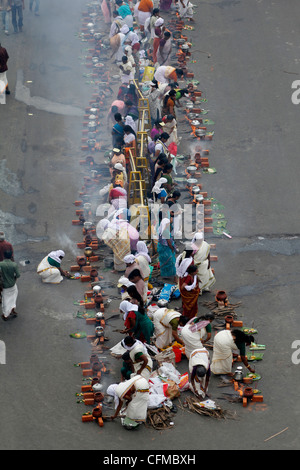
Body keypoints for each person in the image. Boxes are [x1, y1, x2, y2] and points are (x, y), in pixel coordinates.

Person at [0, 250, 20, 321]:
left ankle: (5, 315)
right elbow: (18, 275)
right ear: (11, 256)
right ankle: (12, 310)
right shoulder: (14, 264)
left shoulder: (1, 264)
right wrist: (13, 280)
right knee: (13, 298)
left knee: (5, 301)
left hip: (4, 287)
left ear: (4, 256)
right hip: (13, 285)